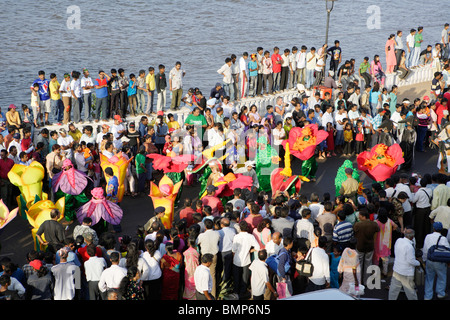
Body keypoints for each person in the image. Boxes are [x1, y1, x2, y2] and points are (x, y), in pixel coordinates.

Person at [388, 228, 420, 300]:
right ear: (412, 237)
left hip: (397, 269)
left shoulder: (398, 241)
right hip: (406, 272)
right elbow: (411, 260)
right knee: (410, 292)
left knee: (393, 290)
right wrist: (418, 263)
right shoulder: (409, 247)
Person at [232, 220, 260, 299]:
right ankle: (243, 292)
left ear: (240, 228)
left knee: (237, 277)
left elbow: (233, 250)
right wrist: (250, 251)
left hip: (237, 260)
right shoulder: (250, 236)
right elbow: (257, 247)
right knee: (245, 278)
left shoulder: (236, 237)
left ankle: (236, 292)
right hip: (246, 260)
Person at [353, 210, 380, 285]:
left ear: (364, 216)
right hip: (370, 246)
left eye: (360, 216)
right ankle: (366, 281)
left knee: (359, 264)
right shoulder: (374, 224)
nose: (359, 217)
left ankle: (359, 280)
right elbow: (377, 231)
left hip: (360, 246)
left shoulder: (357, 225)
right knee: (368, 263)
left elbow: (354, 232)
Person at [196, 218, 220, 298]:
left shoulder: (202, 235)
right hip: (214, 256)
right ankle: (212, 295)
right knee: (212, 276)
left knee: (204, 275)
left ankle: (207, 294)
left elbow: (197, 243)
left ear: (205, 226)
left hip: (205, 257)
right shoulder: (217, 234)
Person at [373, 208, 398, 277]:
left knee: (376, 259)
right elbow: (395, 226)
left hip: (378, 244)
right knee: (386, 260)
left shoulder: (376, 222)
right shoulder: (389, 221)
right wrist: (390, 231)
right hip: (386, 244)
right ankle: (385, 272)